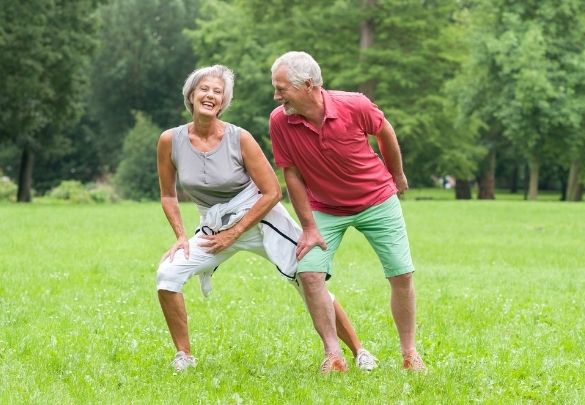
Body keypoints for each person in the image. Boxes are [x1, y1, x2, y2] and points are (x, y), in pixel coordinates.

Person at [155, 64, 377, 373]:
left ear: (224, 102)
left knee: (308, 279)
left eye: (217, 92)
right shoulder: (170, 140)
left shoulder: (239, 138)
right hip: (214, 227)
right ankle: (184, 355)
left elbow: (272, 191)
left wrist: (235, 233)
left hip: (260, 218)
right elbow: (168, 195)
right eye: (204, 89)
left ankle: (359, 351)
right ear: (191, 95)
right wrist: (181, 236)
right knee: (167, 274)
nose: (210, 96)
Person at [269, 52, 427, 372]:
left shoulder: (355, 105)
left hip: (377, 199)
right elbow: (292, 174)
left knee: (401, 274)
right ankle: (333, 354)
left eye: (282, 88)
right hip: (325, 208)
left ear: (309, 85)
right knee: (309, 274)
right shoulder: (280, 121)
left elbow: (385, 132)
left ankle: (410, 354)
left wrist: (396, 175)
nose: (276, 95)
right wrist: (309, 226)